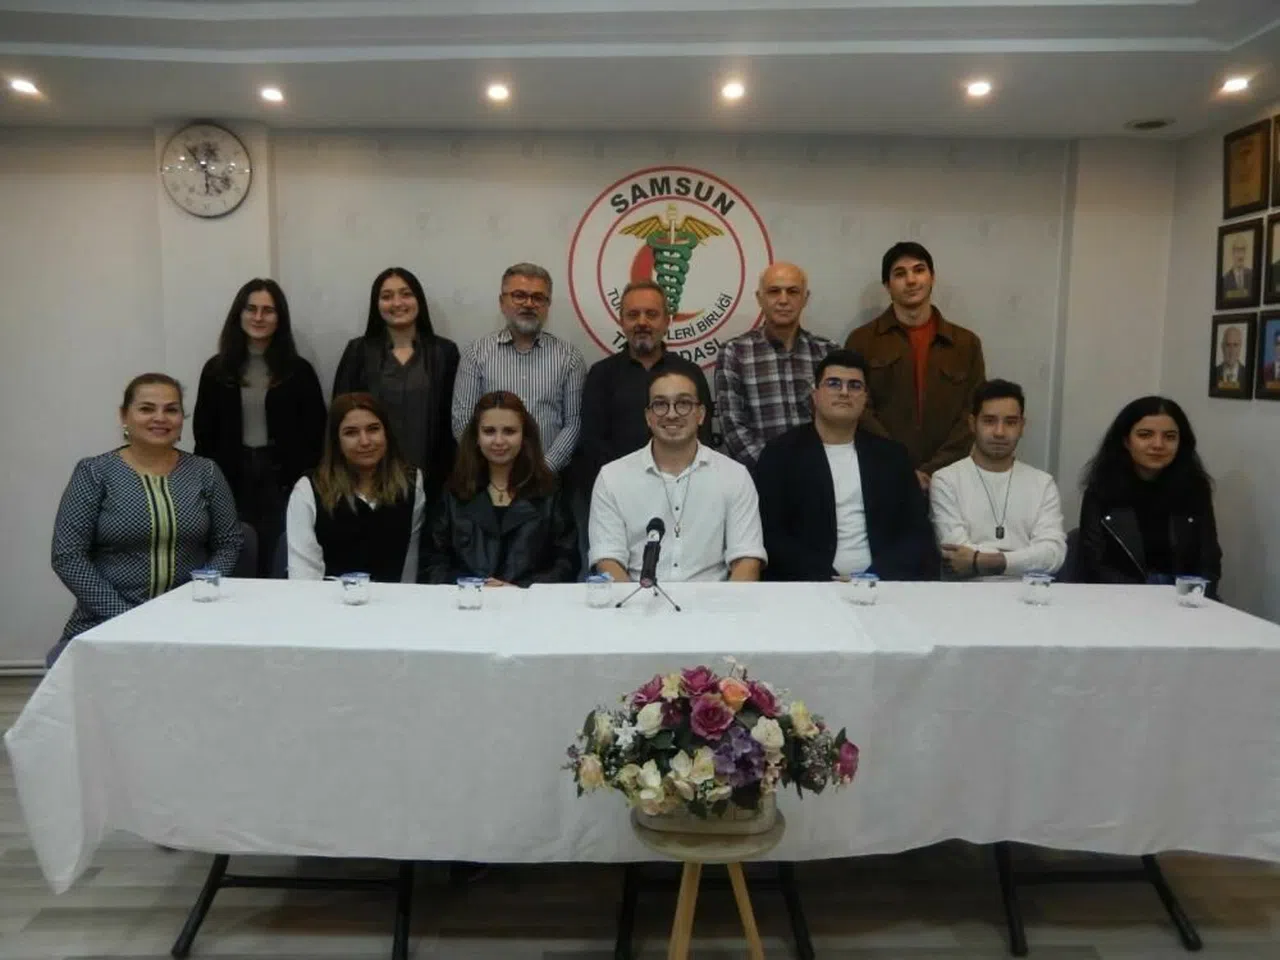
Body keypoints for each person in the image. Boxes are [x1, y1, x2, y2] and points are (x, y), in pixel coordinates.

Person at [49, 374, 242, 665]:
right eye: (147, 408)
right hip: (106, 620)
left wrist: (198, 597)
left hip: (191, 621)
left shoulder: (206, 472)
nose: (160, 418)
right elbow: (68, 555)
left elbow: (229, 543)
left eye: (171, 409)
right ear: (124, 416)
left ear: (182, 418)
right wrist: (127, 617)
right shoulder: (95, 472)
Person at [754, 350, 937, 581]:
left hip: (883, 585)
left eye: (855, 386)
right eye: (833, 383)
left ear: (865, 398)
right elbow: (771, 534)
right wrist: (825, 578)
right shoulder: (780, 454)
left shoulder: (892, 457)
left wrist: (874, 576)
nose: (844, 392)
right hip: (806, 586)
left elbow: (915, 531)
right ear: (815, 395)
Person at [193, 278, 326, 575]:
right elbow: (204, 434)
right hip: (231, 477)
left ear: (280, 318)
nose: (258, 317)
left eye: (268, 310)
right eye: (251, 309)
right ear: (238, 314)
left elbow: (316, 434)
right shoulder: (216, 370)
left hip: (283, 480)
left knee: (280, 554)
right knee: (237, 554)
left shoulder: (298, 371)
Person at [589, 370, 766, 582]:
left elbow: (747, 559)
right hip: (635, 599)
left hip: (713, 600)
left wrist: (727, 603)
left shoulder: (734, 476)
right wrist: (632, 604)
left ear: (701, 414)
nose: (672, 414)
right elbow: (608, 560)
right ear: (648, 417)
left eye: (683, 403)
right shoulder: (612, 477)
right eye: (660, 404)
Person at [845, 242, 985, 490]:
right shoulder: (862, 341)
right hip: (883, 475)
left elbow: (973, 412)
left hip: (951, 477)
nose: (911, 280)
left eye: (919, 270)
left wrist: (933, 470)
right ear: (887, 286)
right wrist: (900, 465)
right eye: (900, 274)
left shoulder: (966, 344)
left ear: (932, 278)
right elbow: (859, 409)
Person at [421, 392, 578, 586]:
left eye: (509, 431)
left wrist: (520, 589)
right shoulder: (454, 492)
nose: (498, 441)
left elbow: (567, 562)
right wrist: (476, 586)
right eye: (489, 431)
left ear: (524, 436)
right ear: (476, 437)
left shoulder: (549, 492)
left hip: (529, 602)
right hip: (466, 601)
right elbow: (432, 563)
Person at [332, 267, 459, 498]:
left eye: (406, 294)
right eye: (387, 296)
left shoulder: (444, 352)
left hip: (433, 475)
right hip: (369, 476)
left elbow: (455, 418)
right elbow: (340, 416)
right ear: (376, 304)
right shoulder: (358, 351)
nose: (397, 303)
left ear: (418, 300)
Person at [577, 279, 713, 491]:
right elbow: (592, 445)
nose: (642, 322)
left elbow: (703, 439)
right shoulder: (601, 375)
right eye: (633, 315)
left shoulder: (690, 373)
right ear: (621, 321)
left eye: (651, 314)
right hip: (619, 491)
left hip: (684, 489)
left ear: (667, 321)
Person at [451, 263, 585, 473]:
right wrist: (494, 468)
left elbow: (574, 424)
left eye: (538, 298)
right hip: (488, 478)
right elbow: (463, 420)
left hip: (550, 479)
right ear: (502, 302)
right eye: (519, 295)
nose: (529, 304)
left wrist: (544, 470)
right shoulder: (476, 354)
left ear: (547, 305)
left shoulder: (569, 358)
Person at [1078, 396, 1221, 592]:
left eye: (1170, 437)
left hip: (1182, 597)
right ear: (1126, 441)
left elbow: (1209, 560)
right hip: (1120, 596)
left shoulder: (1195, 489)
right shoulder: (1101, 490)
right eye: (1145, 435)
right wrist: (1148, 596)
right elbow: (1093, 565)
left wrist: (1192, 596)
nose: (1158, 445)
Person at [930, 379, 1066, 580]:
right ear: (972, 424)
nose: (999, 432)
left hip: (1028, 594)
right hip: (965, 594)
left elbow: (1053, 555)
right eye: (989, 421)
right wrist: (1025, 557)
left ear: (1022, 426)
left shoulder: (1043, 483)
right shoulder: (946, 480)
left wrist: (980, 561)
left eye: (1010, 422)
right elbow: (955, 554)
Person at [286, 393, 425, 583]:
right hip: (326, 599)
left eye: (373, 429)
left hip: (390, 599)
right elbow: (304, 576)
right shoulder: (308, 489)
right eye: (351, 433)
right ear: (336, 441)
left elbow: (409, 568)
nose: (365, 441)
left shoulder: (411, 484)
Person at [714, 262, 835, 469]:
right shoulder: (735, 353)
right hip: (763, 477)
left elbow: (839, 421)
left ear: (805, 298)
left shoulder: (828, 352)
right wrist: (774, 472)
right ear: (759, 298)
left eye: (793, 291)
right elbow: (734, 430)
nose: (783, 300)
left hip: (822, 473)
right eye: (774, 291)